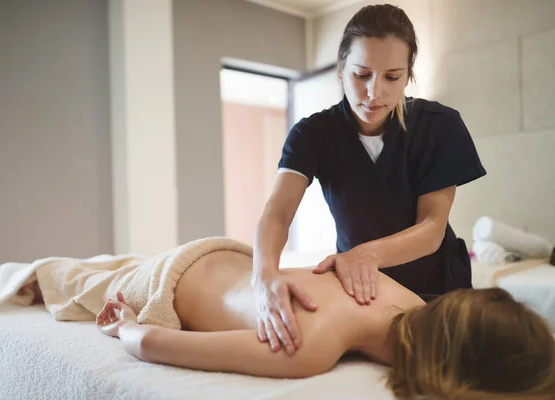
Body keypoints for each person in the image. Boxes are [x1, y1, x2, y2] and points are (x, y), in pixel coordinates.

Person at [251, 4, 487, 355]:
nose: (374, 93)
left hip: (437, 287)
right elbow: (279, 212)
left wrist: (365, 255)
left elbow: (432, 227)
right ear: (341, 69)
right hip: (360, 289)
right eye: (362, 75)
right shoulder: (313, 134)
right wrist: (263, 274)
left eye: (392, 77)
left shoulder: (440, 126)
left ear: (408, 76)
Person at [95, 249, 555, 400]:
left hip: (239, 256)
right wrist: (126, 326)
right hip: (171, 277)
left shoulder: (408, 300)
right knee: (69, 284)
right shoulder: (312, 343)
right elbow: (153, 341)